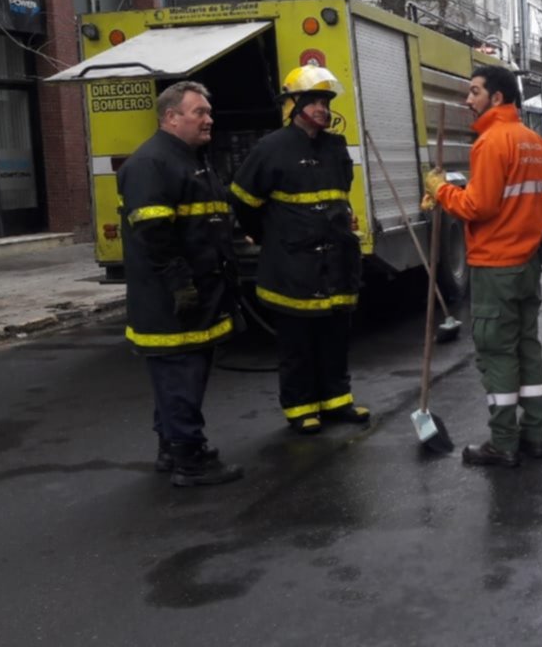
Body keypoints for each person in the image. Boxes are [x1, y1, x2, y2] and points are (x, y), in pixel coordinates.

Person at [422, 65, 542, 467]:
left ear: (496, 98)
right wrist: (453, 193)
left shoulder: (491, 142)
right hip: (527, 262)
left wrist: (440, 191)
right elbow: (506, 199)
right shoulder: (532, 141)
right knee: (528, 350)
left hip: (496, 265)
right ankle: (534, 438)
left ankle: (502, 443)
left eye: (474, 91)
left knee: (496, 353)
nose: (468, 99)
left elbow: (479, 206)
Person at [117, 81, 244, 487]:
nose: (209, 119)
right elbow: (154, 233)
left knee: (183, 378)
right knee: (179, 379)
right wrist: (180, 283)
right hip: (170, 299)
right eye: (199, 112)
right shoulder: (150, 164)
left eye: (208, 112)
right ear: (171, 118)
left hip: (198, 293)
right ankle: (190, 460)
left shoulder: (193, 160)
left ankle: (172, 448)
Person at [231, 66, 369, 435]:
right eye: (315, 101)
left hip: (336, 261)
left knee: (335, 337)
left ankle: (337, 400)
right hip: (292, 264)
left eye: (326, 102)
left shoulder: (335, 147)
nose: (323, 109)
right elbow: (243, 201)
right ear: (294, 105)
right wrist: (269, 236)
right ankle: (300, 407)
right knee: (298, 343)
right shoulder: (270, 148)